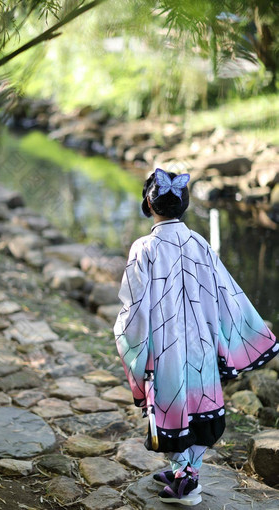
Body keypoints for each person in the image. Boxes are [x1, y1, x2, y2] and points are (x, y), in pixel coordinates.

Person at [114, 168, 278, 506]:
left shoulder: (143, 249)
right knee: (199, 408)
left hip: (165, 349)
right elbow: (228, 295)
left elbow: (134, 310)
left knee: (173, 409)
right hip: (201, 346)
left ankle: (188, 482)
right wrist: (230, 340)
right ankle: (183, 469)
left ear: (149, 201)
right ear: (184, 205)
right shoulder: (200, 243)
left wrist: (129, 340)